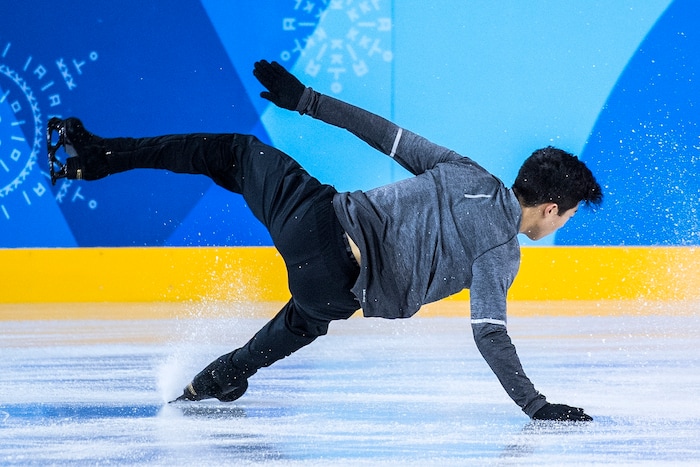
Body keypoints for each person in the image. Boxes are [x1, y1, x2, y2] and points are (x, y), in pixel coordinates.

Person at [47, 60, 602, 421]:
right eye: (569, 216)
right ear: (551, 208)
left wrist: (307, 100)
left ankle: (98, 157)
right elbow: (490, 334)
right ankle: (213, 381)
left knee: (235, 154)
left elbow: (382, 134)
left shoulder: (465, 171)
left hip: (314, 222)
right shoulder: (502, 254)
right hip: (334, 289)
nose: (562, 224)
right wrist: (536, 406)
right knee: (307, 319)